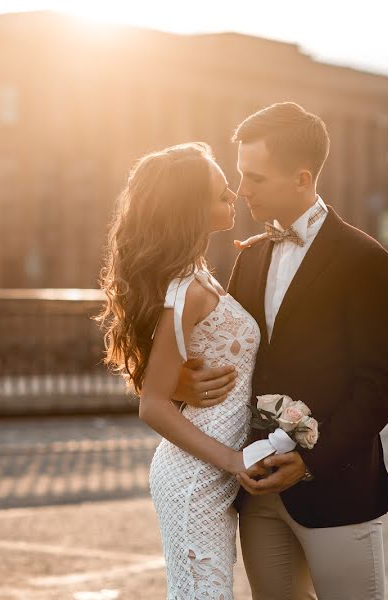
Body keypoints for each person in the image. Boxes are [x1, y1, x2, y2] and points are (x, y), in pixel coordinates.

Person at [174, 102, 388, 599]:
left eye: (254, 177)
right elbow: (232, 356)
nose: (242, 190)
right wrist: (183, 382)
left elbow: (384, 384)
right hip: (257, 494)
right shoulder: (251, 254)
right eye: (241, 175)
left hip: (337, 490)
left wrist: (311, 461)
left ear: (302, 178)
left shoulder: (366, 260)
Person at [98, 142, 265, 598]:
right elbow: (152, 406)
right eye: (221, 195)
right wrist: (232, 460)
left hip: (208, 473)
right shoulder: (185, 290)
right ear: (191, 208)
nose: (233, 198)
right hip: (196, 477)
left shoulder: (201, 274)